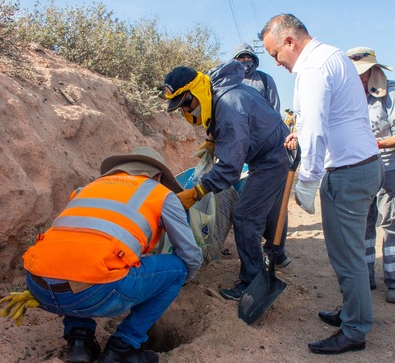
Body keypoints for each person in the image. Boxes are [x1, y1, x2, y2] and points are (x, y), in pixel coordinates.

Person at [259, 14, 382, 355]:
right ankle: (352, 311)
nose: (277, 62)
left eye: (275, 54)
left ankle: (355, 330)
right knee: (350, 250)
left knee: (347, 256)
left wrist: (308, 181)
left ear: (290, 42)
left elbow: (315, 129)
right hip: (362, 165)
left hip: (348, 171)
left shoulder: (312, 70)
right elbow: (327, 116)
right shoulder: (331, 55)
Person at [21, 146, 203, 363]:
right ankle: (122, 348)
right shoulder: (161, 193)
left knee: (80, 256)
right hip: (95, 292)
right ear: (158, 176)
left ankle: (80, 342)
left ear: (119, 169)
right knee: (178, 270)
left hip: (36, 285)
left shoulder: (86, 188)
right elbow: (189, 254)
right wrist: (180, 281)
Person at [161, 61, 290, 301]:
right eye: (181, 108)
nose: (187, 111)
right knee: (265, 207)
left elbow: (230, 167)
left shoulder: (229, 106)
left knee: (245, 216)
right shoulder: (219, 90)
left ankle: (252, 282)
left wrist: (198, 191)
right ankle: (277, 254)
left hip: (273, 157)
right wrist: (214, 138)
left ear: (197, 92)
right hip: (271, 151)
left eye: (187, 104)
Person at [347, 47, 395, 303]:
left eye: (363, 72)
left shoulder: (391, 91)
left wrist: (375, 144)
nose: (360, 78)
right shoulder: (350, 94)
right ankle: (365, 276)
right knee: (363, 222)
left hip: (391, 167)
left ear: (374, 70)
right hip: (361, 168)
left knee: (394, 223)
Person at [233, 42, 281, 112]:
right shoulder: (229, 80)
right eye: (242, 57)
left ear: (253, 59)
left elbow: (274, 109)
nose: (246, 59)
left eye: (249, 57)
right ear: (235, 60)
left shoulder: (265, 79)